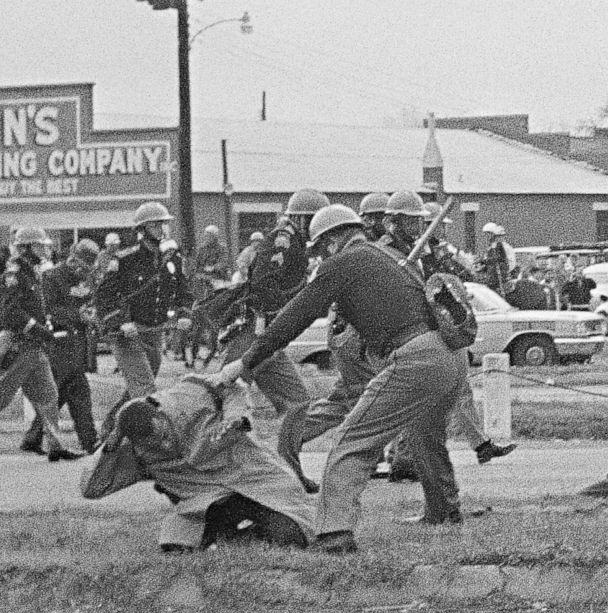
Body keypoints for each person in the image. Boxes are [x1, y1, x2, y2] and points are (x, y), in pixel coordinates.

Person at [213, 204, 467, 554]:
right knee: (426, 437)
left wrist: (245, 362)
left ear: (333, 240)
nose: (319, 256)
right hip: (451, 356)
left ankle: (334, 535)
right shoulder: (384, 257)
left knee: (351, 442)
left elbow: (293, 318)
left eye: (320, 249)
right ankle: (444, 511)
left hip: (415, 357)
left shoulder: (344, 263)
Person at [81, 377, 314, 552]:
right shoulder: (134, 451)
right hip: (204, 503)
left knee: (293, 535)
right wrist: (111, 443)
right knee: (176, 548)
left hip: (250, 478)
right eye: (155, 444)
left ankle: (241, 537)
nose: (165, 444)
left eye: (164, 435)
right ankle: (228, 538)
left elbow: (233, 385)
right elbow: (93, 489)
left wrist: (235, 417)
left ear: (160, 414)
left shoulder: (188, 395)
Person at [380, 192, 516, 477]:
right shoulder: (393, 252)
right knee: (407, 397)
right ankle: (397, 456)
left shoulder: (432, 252)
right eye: (423, 223)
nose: (430, 229)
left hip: (440, 327)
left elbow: (452, 277)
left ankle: (479, 445)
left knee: (458, 387)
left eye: (426, 224)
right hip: (412, 333)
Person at [221, 188, 329, 493]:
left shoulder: (298, 242)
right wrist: (289, 308)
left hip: (269, 338)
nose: (316, 226)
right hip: (254, 334)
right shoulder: (284, 239)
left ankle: (288, 471)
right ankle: (209, 470)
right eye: (313, 219)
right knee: (226, 403)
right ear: (301, 217)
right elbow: (264, 282)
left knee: (297, 402)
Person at [95, 201, 193, 438]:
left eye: (163, 224)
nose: (162, 229)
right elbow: (104, 297)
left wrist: (184, 314)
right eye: (155, 224)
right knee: (146, 390)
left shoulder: (171, 258)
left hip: (154, 331)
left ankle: (108, 433)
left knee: (135, 392)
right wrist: (121, 321)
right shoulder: (125, 259)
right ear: (143, 228)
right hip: (128, 334)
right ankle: (147, 446)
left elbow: (184, 291)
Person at [0, 226, 82, 462]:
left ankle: (56, 446)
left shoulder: (32, 272)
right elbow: (12, 313)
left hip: (33, 346)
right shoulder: (15, 274)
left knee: (49, 395)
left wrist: (46, 327)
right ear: (27, 248)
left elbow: (33, 308)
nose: (44, 249)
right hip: (17, 345)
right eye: (39, 245)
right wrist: (36, 328)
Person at [21, 239, 101, 455]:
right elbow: (49, 309)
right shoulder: (51, 277)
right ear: (72, 258)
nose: (82, 271)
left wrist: (91, 314)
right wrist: (77, 316)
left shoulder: (87, 279)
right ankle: (89, 439)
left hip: (80, 343)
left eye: (86, 268)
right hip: (59, 341)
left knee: (61, 392)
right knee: (77, 390)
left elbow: (91, 301)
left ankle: (34, 436)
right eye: (80, 266)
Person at [479, 222, 512, 295]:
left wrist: (484, 261)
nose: (486, 236)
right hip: (490, 274)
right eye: (485, 234)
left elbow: (498, 258)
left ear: (493, 234)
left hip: (498, 275)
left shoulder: (498, 245)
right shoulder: (490, 246)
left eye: (488, 234)